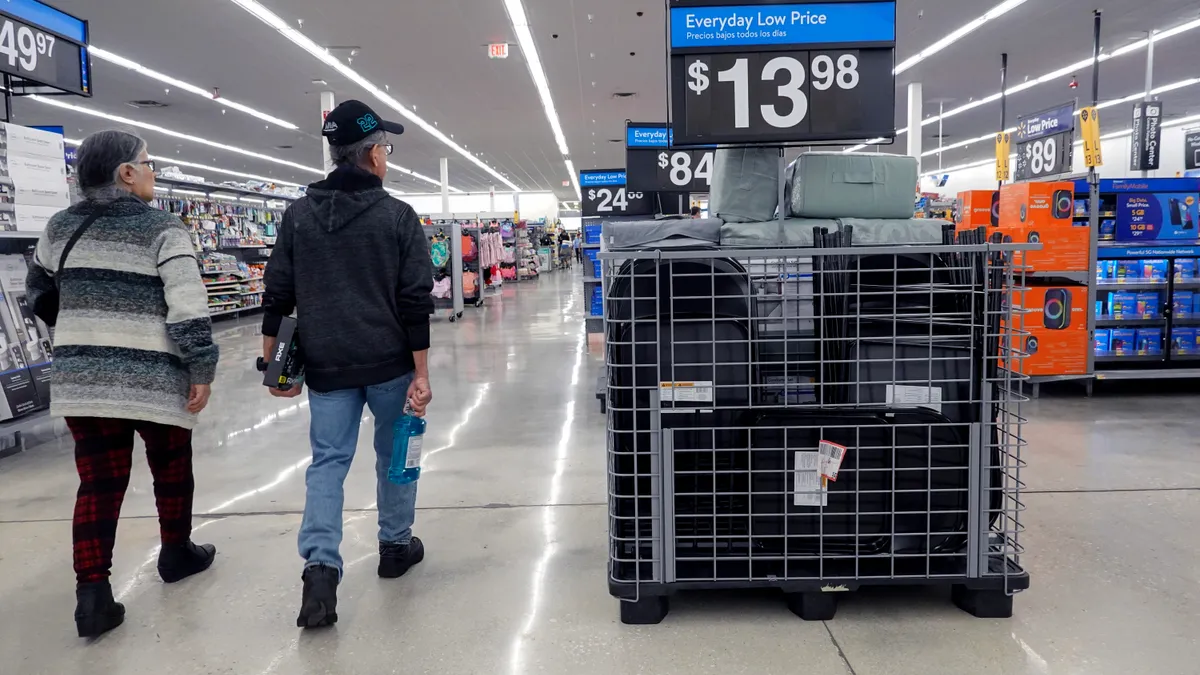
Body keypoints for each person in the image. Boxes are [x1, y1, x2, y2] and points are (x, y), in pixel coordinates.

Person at [26, 130, 219, 638]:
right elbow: (187, 306)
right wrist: (201, 367)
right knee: (171, 469)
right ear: (126, 173)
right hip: (156, 376)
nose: (154, 172)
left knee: (98, 483)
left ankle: (92, 595)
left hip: (83, 381)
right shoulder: (163, 228)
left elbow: (38, 291)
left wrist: (81, 329)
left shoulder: (58, 227)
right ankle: (176, 554)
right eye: (148, 163)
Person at [261, 100, 434, 629]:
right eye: (386, 147)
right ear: (371, 154)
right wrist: (422, 374)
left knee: (328, 463)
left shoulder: (297, 215)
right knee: (396, 454)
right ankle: (394, 547)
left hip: (327, 366)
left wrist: (274, 368)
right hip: (389, 363)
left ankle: (320, 569)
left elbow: (277, 294)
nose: (388, 156)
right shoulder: (397, 216)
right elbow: (415, 301)